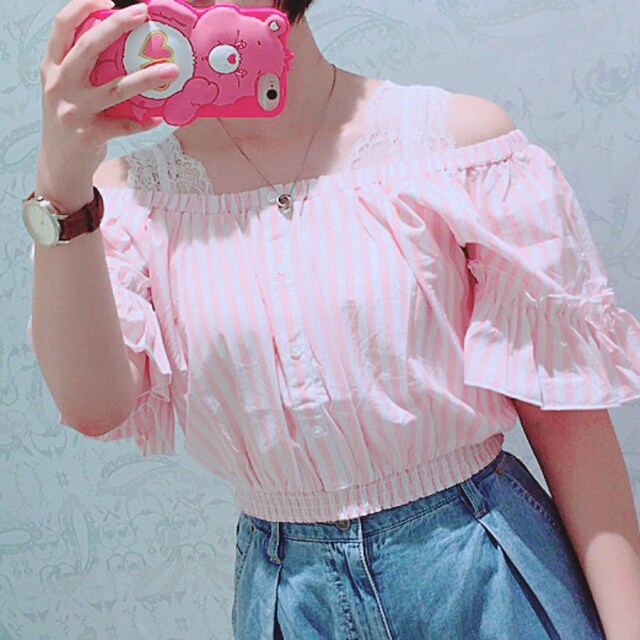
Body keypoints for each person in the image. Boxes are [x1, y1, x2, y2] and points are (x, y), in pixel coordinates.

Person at [26, 0, 640, 638]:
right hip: (289, 595)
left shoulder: (455, 146)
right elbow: (94, 407)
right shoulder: (123, 201)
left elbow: (568, 422)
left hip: (484, 574)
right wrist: (62, 185)